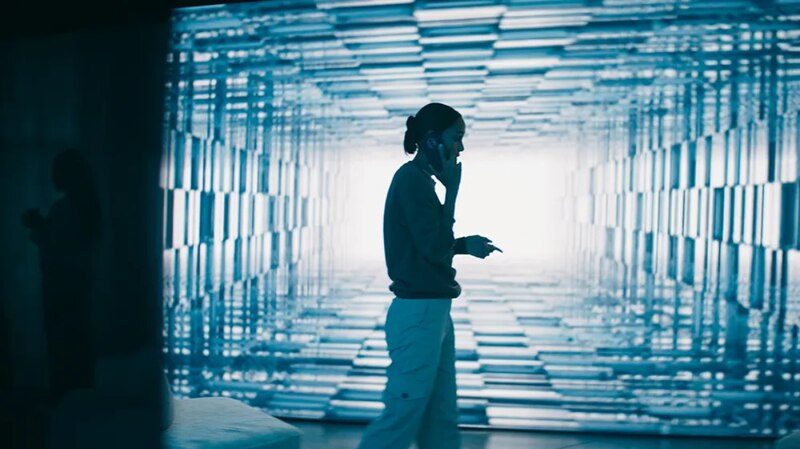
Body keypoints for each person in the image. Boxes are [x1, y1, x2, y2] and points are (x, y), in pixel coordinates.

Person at [357, 103, 502, 449]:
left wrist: (465, 245)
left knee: (440, 418)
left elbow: (426, 242)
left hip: (432, 312)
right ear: (433, 141)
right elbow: (434, 248)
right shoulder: (412, 181)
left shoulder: (417, 181)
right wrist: (452, 190)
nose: (461, 148)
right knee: (401, 416)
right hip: (419, 313)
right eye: (457, 138)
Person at [22, 149, 102, 404]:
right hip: (76, 286)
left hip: (61, 288)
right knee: (76, 346)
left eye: (56, 171)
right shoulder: (85, 207)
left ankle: (65, 404)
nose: (51, 177)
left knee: (62, 347)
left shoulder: (66, 208)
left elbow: (56, 246)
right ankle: (77, 402)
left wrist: (38, 226)